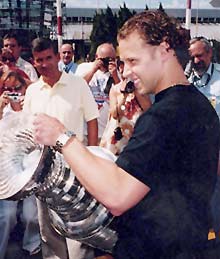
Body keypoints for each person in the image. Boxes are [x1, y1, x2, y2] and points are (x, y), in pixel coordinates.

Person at [32, 11, 220, 259]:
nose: (127, 71)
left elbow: (117, 195)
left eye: (133, 60)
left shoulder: (163, 117)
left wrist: (62, 137)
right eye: (124, 62)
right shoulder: (199, 104)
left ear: (164, 50)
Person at [23, 37, 98, 259]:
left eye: (48, 58)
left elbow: (92, 120)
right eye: (39, 60)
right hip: (43, 173)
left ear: (57, 57)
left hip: (75, 169)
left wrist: (92, 157)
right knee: (48, 231)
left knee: (77, 230)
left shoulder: (78, 84)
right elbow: (28, 129)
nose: (45, 64)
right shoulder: (32, 91)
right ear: (33, 62)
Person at [0, 70, 41, 258]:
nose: (14, 93)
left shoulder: (33, 106)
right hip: (7, 169)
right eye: (9, 90)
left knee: (30, 215)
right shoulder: (3, 111)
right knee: (6, 216)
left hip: (31, 167)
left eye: (17, 88)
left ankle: (32, 248)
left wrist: (30, 110)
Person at [187, 36, 220, 242]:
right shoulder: (186, 80)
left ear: (210, 54)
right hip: (193, 152)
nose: (196, 61)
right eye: (193, 57)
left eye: (200, 55)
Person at [100, 61, 152, 155]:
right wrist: (123, 96)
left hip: (134, 134)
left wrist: (135, 90)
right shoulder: (115, 89)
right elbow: (114, 114)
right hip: (117, 134)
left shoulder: (142, 89)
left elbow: (148, 108)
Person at [75, 43, 122, 140]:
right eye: (105, 59)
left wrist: (115, 76)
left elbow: (122, 95)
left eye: (112, 59)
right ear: (97, 57)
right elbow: (77, 88)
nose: (108, 63)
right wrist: (93, 70)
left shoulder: (117, 73)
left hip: (107, 130)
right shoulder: (84, 68)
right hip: (85, 130)